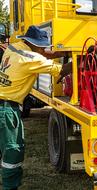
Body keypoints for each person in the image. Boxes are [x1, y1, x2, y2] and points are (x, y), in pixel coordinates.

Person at [0, 25, 72, 190]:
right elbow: (61, 70)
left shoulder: (14, 47)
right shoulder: (31, 58)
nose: (43, 48)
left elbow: (42, 53)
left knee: (2, 148)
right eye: (41, 45)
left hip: (3, 104)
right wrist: (80, 60)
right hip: (7, 109)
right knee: (13, 151)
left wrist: (64, 53)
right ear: (34, 44)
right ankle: (10, 186)